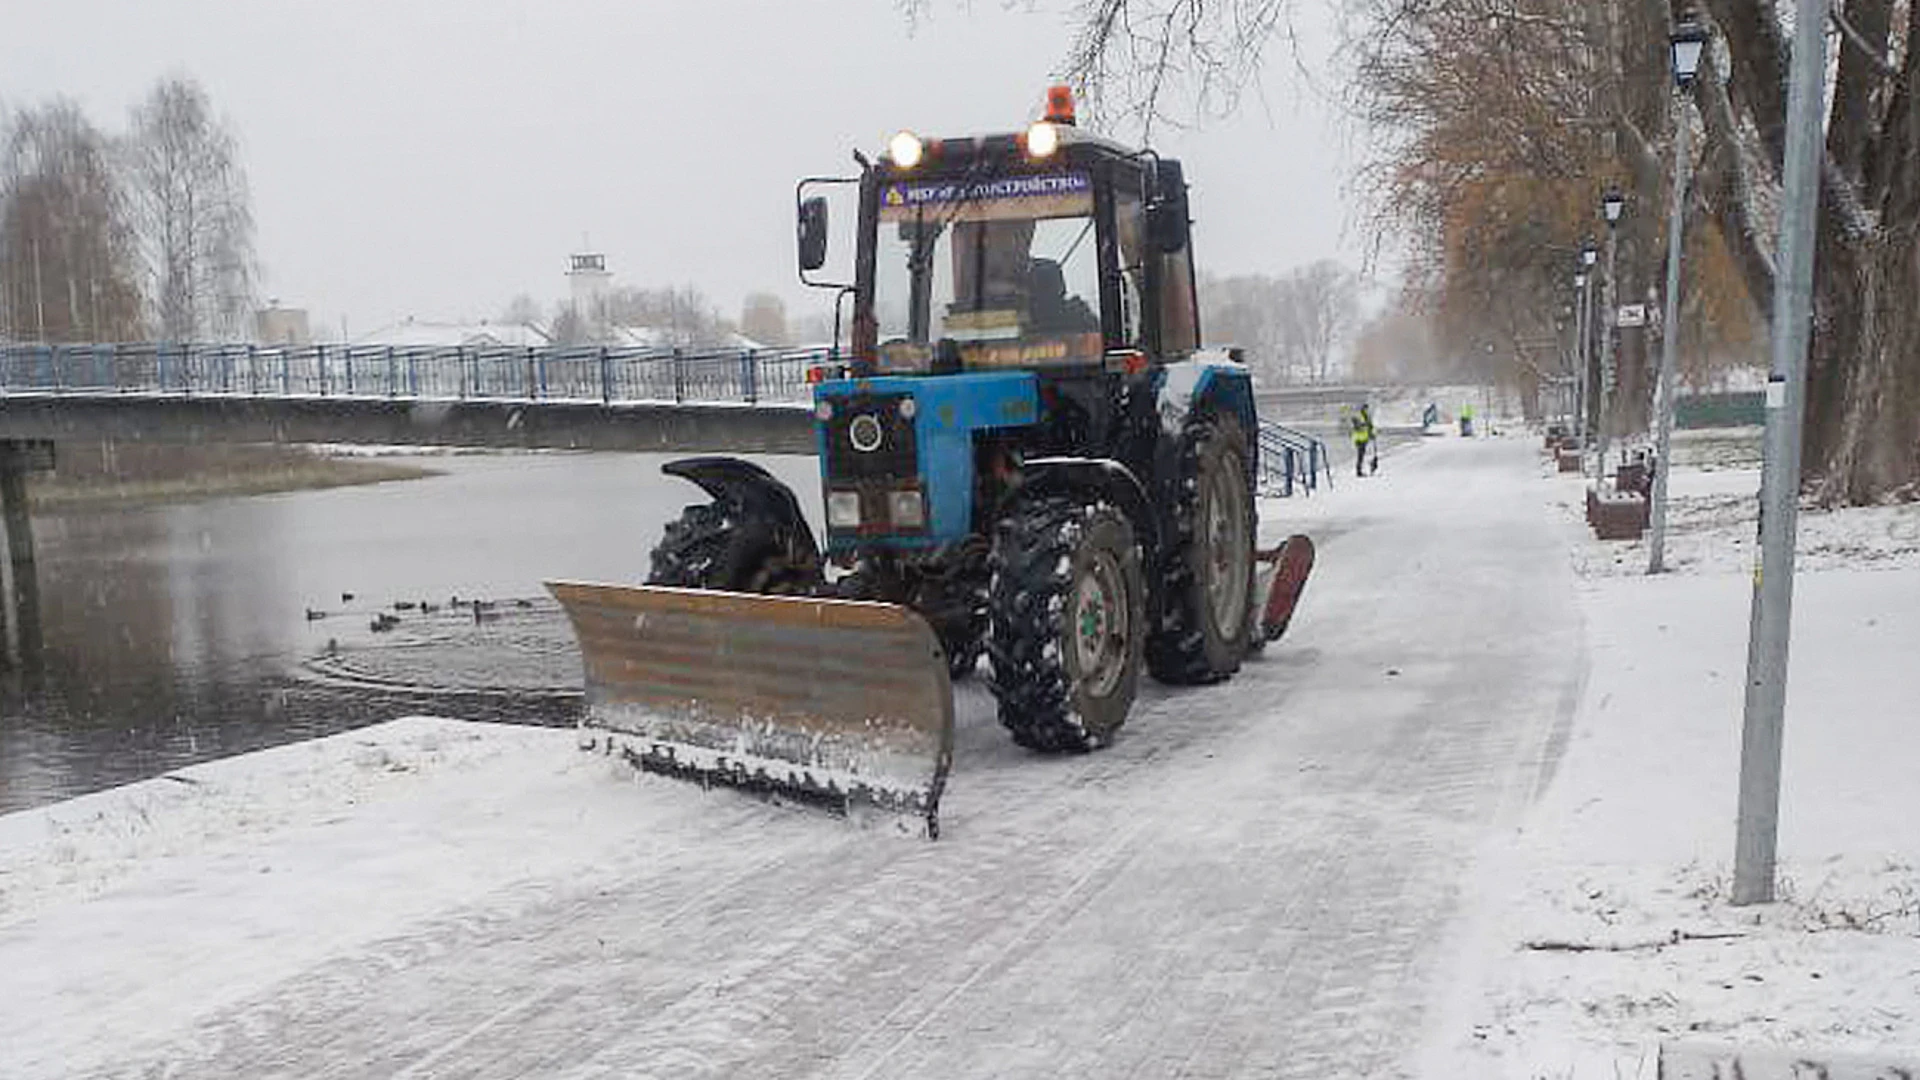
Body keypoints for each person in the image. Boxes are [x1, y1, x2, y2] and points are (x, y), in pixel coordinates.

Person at [1349, 403, 1378, 477]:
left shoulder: (1367, 416)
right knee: (1360, 455)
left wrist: (1371, 433)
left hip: (1365, 438)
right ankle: (1359, 471)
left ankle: (1368, 469)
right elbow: (1356, 425)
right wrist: (1363, 426)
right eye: (1366, 409)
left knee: (1364, 454)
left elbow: (1369, 426)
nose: (1367, 410)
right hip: (1359, 438)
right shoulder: (1359, 416)